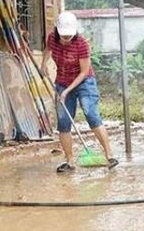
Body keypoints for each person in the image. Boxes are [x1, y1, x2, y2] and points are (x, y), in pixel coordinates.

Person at [41, 11, 117, 173]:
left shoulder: (81, 44)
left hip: (84, 82)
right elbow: (47, 50)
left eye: (69, 36)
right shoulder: (52, 38)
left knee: (91, 114)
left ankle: (109, 155)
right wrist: (43, 65)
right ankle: (69, 161)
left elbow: (84, 72)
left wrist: (67, 91)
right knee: (63, 121)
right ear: (57, 31)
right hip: (62, 81)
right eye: (64, 37)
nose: (67, 39)